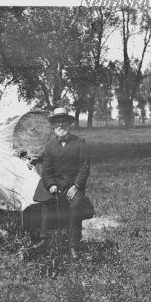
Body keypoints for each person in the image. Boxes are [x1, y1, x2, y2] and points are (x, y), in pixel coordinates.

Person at [32, 107, 93, 259]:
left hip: (73, 185)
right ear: (53, 126)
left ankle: (73, 245)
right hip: (56, 184)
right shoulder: (50, 145)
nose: (61, 125)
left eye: (63, 122)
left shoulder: (80, 142)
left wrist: (76, 186)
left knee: (77, 203)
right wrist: (51, 185)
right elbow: (46, 171)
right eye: (57, 122)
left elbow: (84, 168)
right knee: (47, 201)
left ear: (69, 124)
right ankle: (44, 239)